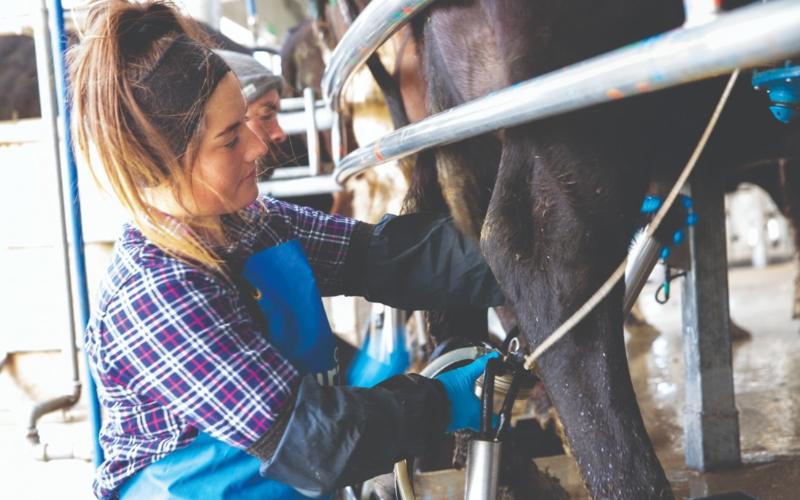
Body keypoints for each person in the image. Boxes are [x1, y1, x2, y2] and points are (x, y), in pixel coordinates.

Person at [70, 2, 504, 499]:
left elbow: (387, 257)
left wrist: (526, 256)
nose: (259, 148)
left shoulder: (258, 224)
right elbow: (314, 441)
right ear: (163, 162)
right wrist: (447, 400)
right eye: (231, 138)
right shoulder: (155, 294)